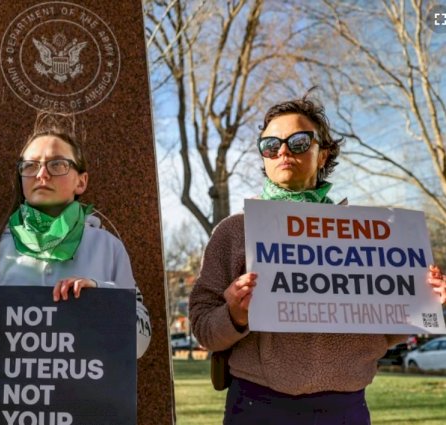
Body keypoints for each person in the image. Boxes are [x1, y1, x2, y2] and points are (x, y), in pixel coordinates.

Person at [188, 92, 446, 425]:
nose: (282, 150)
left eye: (297, 141)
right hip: (256, 406)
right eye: (270, 144)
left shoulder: (371, 234)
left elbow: (387, 332)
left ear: (322, 155)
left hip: (345, 409)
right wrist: (235, 315)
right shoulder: (233, 232)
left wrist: (422, 301)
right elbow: (203, 327)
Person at [0, 114, 152, 424]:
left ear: (81, 181)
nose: (42, 174)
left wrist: (102, 300)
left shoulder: (109, 248)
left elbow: (140, 345)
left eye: (57, 164)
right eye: (30, 165)